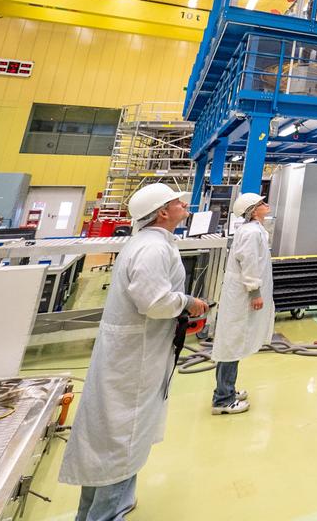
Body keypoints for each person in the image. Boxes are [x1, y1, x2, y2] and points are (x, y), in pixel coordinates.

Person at [59, 183, 207, 521]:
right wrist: (188, 302)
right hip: (133, 360)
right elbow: (154, 302)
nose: (185, 205)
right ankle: (104, 514)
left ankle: (105, 508)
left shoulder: (150, 243)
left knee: (118, 438)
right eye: (177, 202)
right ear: (162, 213)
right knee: (121, 440)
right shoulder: (153, 249)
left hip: (135, 352)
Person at [209, 192, 273, 415]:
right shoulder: (251, 233)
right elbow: (249, 264)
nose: (266, 205)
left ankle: (227, 389)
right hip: (242, 296)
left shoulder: (254, 231)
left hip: (242, 295)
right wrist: (255, 292)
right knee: (231, 343)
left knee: (234, 342)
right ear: (253, 211)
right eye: (262, 204)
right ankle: (223, 399)